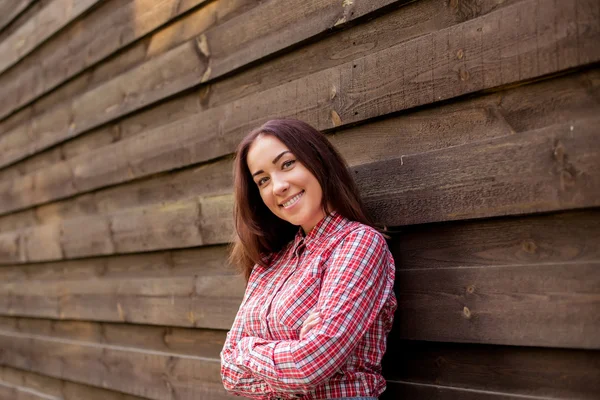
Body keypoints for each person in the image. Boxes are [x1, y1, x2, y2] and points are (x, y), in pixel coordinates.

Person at [220, 119, 397, 400]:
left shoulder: (358, 244)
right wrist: (292, 346)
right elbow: (228, 372)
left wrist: (245, 349)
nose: (277, 186)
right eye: (262, 180)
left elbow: (308, 367)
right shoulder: (270, 264)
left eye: (287, 164)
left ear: (318, 160)